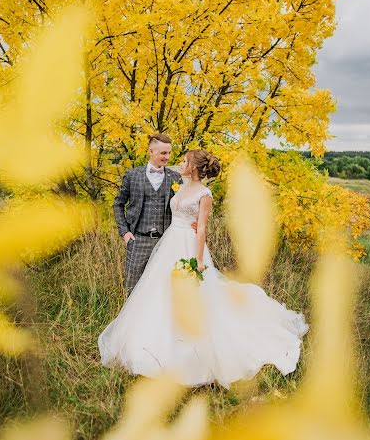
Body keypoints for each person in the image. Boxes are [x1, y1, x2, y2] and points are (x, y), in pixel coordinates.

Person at [99, 149, 309, 388]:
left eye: (184, 161)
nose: (180, 163)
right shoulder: (181, 184)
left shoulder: (204, 193)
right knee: (160, 291)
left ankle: (191, 351)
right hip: (169, 242)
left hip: (188, 245)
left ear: (194, 167)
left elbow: (201, 229)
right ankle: (151, 344)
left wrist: (198, 260)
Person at [113, 133, 183, 295]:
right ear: (151, 151)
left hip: (165, 241)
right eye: (163, 153)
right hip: (138, 240)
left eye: (169, 153)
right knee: (132, 288)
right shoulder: (132, 175)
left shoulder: (175, 177)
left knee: (162, 289)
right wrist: (125, 233)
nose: (167, 157)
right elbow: (118, 204)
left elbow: (182, 206)